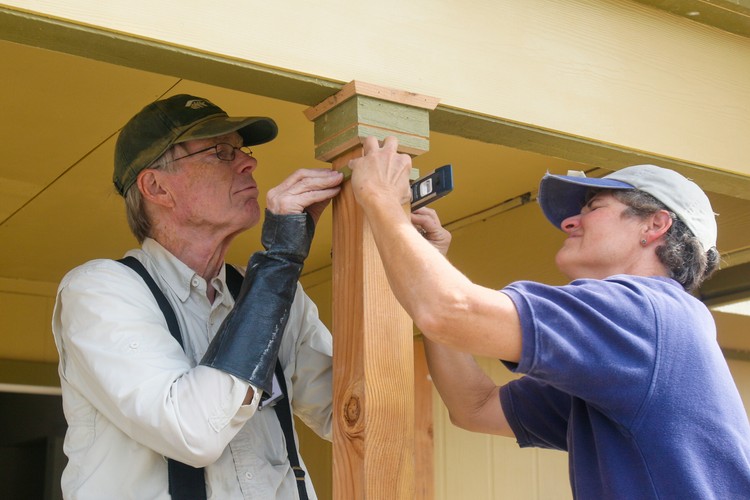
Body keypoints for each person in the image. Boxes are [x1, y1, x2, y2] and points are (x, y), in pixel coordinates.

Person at [347, 136, 750, 498]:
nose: (568, 221)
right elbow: (475, 407)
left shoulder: (642, 312)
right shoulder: (638, 344)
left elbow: (451, 311)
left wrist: (380, 197)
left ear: (655, 224)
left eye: (593, 207)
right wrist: (428, 266)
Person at [51, 94, 345, 499]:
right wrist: (279, 260)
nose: (249, 162)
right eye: (222, 152)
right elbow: (192, 433)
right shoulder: (100, 289)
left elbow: (349, 414)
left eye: (242, 149)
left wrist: (400, 266)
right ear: (156, 187)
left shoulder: (272, 291)